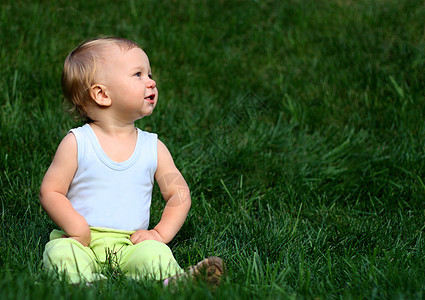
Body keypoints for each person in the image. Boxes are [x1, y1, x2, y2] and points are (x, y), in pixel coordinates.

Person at [39, 37, 224, 286]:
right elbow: (51, 190)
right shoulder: (78, 143)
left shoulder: (152, 147)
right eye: (138, 74)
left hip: (130, 243)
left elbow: (179, 193)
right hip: (80, 239)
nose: (152, 81)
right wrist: (76, 227)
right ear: (102, 94)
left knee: (155, 253)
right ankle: (81, 283)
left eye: (149, 73)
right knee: (60, 253)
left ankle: (176, 282)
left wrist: (159, 234)